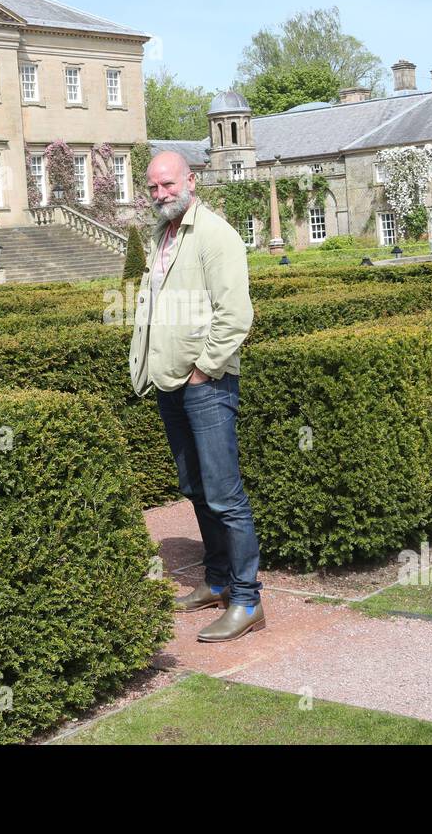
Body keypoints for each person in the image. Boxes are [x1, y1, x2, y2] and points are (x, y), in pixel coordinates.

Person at [129, 151, 264, 642]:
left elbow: (235, 315)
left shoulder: (215, 235)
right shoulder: (161, 235)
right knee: (197, 490)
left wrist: (203, 372)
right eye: (153, 187)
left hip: (205, 385)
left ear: (190, 180)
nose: (161, 193)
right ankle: (216, 581)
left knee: (226, 495)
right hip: (170, 385)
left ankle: (247, 599)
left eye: (168, 184)